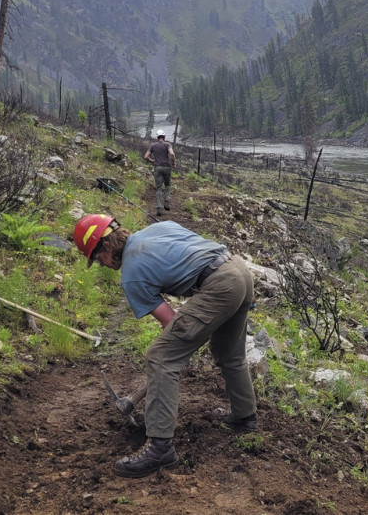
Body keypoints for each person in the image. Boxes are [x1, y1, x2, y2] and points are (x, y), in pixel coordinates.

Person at [73, 214, 257, 478]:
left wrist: (186, 340)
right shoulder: (157, 228)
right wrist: (196, 329)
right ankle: (244, 417)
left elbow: (170, 323)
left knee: (161, 356)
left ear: (106, 247)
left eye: (96, 258)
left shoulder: (131, 275)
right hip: (239, 271)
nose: (100, 265)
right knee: (230, 352)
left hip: (219, 286)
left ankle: (160, 448)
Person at [143, 129, 176, 216]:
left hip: (157, 168)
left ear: (157, 137)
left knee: (158, 187)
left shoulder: (153, 145)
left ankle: (158, 208)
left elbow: (146, 156)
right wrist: (173, 163)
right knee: (167, 185)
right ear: (164, 137)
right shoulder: (168, 144)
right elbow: (172, 154)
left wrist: (152, 161)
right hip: (167, 168)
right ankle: (167, 202)